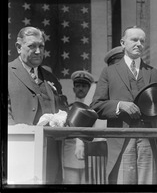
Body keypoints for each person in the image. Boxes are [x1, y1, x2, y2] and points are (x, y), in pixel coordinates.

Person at [90, 26, 157, 184]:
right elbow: (96, 105)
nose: (139, 44)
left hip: (148, 139)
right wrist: (119, 105)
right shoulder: (109, 72)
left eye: (142, 41)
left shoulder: (154, 73)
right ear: (123, 43)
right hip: (121, 138)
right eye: (134, 40)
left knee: (149, 182)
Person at [8, 26, 69, 183]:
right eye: (32, 46)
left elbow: (63, 107)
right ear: (18, 47)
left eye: (41, 46)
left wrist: (63, 119)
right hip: (20, 149)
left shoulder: (50, 77)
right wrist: (17, 135)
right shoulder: (7, 72)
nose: (37, 51)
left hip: (50, 152)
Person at [62, 70, 94, 184]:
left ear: (89, 89)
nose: (81, 88)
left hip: (90, 157)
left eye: (84, 86)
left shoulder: (95, 110)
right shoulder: (67, 109)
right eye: (78, 86)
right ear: (73, 89)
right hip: (71, 157)